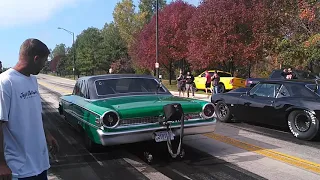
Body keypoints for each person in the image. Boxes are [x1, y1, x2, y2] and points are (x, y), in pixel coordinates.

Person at [0, 38, 59, 180]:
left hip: (40, 164)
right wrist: (1, 164)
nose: (44, 65)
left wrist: (47, 134)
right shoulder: (5, 82)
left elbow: (35, 113)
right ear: (36, 58)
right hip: (18, 169)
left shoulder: (33, 80)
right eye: (44, 61)